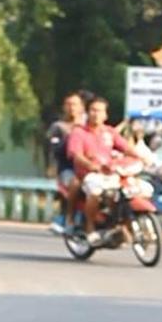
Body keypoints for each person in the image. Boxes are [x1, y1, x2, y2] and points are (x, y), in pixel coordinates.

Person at [65, 96, 142, 245]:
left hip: (110, 174)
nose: (96, 114)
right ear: (87, 113)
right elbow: (76, 155)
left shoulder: (110, 132)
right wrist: (90, 165)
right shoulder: (79, 133)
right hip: (89, 175)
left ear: (105, 115)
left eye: (100, 111)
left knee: (128, 192)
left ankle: (120, 225)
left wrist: (141, 158)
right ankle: (89, 227)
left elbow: (126, 148)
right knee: (95, 192)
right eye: (93, 110)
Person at [46, 91, 86, 234]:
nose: (72, 108)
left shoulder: (88, 127)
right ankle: (68, 217)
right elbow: (56, 151)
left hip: (90, 168)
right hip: (68, 169)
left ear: (82, 107)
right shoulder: (58, 127)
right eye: (68, 104)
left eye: (75, 104)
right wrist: (72, 136)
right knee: (75, 184)